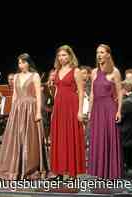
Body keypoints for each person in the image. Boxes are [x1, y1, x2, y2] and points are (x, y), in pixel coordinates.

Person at [0, 53, 47, 180]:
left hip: (31, 108)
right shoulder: (16, 76)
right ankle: (15, 168)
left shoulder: (35, 76)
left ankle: (30, 167)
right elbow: (15, 95)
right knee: (16, 138)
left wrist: (38, 112)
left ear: (29, 63)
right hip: (18, 108)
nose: (21, 65)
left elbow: (39, 96)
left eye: (23, 62)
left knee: (30, 138)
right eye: (19, 63)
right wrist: (12, 111)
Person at [49, 45, 86, 181]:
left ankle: (72, 174)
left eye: (64, 55)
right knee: (59, 138)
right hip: (59, 107)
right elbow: (57, 91)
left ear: (70, 56)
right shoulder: (57, 70)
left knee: (71, 138)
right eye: (60, 55)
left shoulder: (75, 71)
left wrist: (80, 111)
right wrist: (54, 109)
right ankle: (59, 172)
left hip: (71, 106)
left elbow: (81, 92)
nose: (62, 58)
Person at [88, 44, 122, 179]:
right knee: (98, 139)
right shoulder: (94, 72)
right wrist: (90, 112)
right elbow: (91, 94)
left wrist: (119, 111)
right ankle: (100, 173)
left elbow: (119, 93)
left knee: (109, 138)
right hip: (97, 109)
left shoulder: (115, 72)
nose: (99, 55)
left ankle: (111, 173)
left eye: (102, 52)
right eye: (97, 52)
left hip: (109, 109)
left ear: (108, 54)